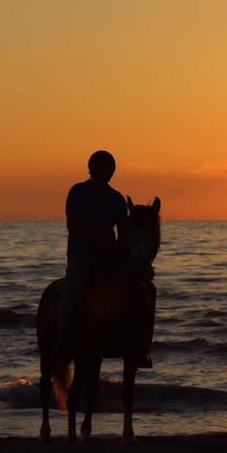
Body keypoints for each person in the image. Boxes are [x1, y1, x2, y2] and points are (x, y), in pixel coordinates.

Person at [56, 150, 153, 367]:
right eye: (99, 167)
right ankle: (63, 342)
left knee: (144, 291)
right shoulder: (78, 192)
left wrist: (131, 249)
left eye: (108, 168)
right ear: (90, 169)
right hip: (81, 255)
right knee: (73, 291)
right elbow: (73, 225)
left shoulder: (116, 199)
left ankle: (141, 347)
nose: (103, 171)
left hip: (108, 257)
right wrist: (99, 240)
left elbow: (123, 230)